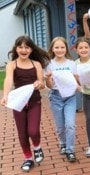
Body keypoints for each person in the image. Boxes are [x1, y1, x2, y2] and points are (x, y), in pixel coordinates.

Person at [0, 35, 49, 172]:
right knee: (22, 134)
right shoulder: (12, 65)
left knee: (33, 130)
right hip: (18, 103)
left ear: (31, 50)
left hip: (35, 101)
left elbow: (42, 84)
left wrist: (39, 83)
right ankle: (28, 158)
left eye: (27, 47)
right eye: (20, 47)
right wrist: (5, 95)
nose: (23, 50)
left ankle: (37, 148)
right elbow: (8, 80)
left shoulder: (36, 64)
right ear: (16, 49)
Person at [45, 37, 79, 162]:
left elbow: (75, 81)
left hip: (70, 97)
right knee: (60, 127)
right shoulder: (49, 64)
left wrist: (78, 82)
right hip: (55, 96)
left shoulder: (71, 63)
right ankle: (63, 144)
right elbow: (48, 85)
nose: (59, 50)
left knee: (70, 125)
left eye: (62, 47)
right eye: (57, 47)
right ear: (52, 49)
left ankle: (70, 150)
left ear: (66, 48)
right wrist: (48, 78)